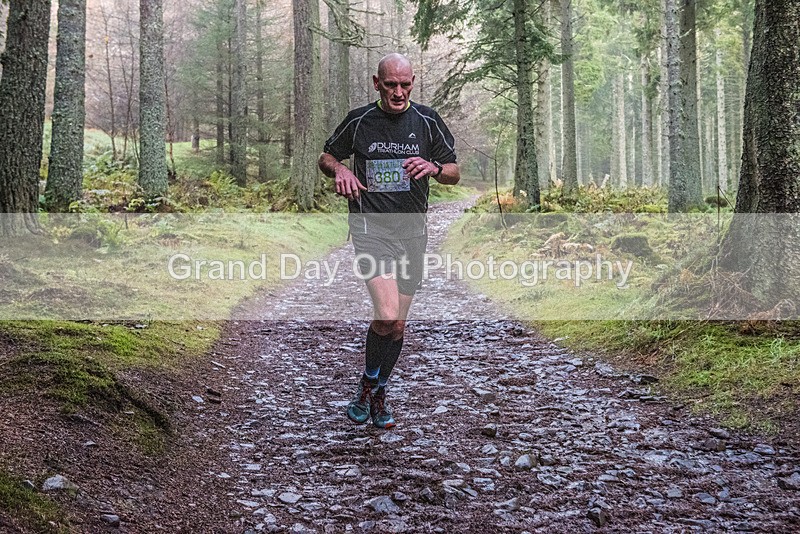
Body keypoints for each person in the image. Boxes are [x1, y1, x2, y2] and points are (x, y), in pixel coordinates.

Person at [318, 53, 460, 429]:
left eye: (405, 84)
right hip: (371, 229)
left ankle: (379, 391)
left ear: (413, 83)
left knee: (397, 325)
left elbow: (453, 171)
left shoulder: (427, 121)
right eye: (391, 84)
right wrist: (341, 169)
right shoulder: (360, 120)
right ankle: (367, 384)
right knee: (386, 312)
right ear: (376, 83)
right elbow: (326, 157)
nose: (398, 92)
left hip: (412, 232)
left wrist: (433, 168)